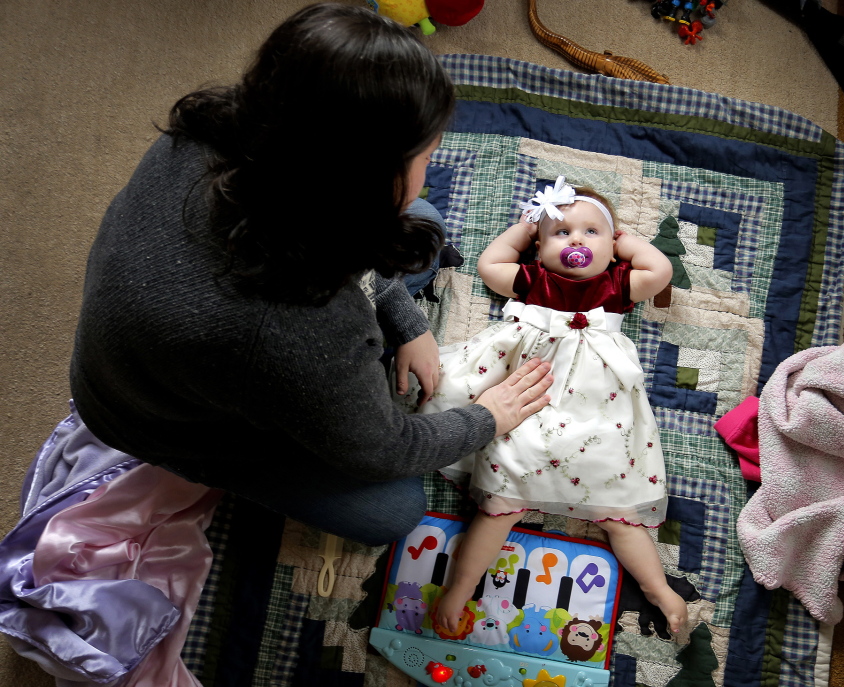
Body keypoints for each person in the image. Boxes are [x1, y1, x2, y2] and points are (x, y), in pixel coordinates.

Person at [68, 3, 553, 547]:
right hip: (155, 417)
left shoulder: (220, 132)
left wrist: (405, 318)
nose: (431, 164)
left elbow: (357, 257)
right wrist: (487, 416)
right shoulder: (299, 326)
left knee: (424, 225)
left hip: (155, 342)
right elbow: (383, 449)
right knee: (393, 510)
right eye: (423, 155)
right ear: (359, 183)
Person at [420, 176, 689, 635]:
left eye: (592, 232)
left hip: (598, 420)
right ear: (540, 248)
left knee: (620, 513)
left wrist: (627, 239)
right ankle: (460, 589)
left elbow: (660, 272)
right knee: (500, 504)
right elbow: (489, 265)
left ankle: (661, 591)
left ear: (614, 246)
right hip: (530, 409)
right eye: (560, 233)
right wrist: (523, 232)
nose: (576, 241)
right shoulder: (532, 280)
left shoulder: (618, 284)